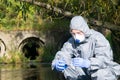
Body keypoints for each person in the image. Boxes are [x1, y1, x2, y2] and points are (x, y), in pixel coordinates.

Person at [51, 16, 120, 80]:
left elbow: (105, 60)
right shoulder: (71, 42)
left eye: (78, 33)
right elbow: (63, 54)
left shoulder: (98, 38)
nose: (76, 36)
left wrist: (89, 63)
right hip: (85, 73)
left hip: (103, 70)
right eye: (73, 33)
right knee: (67, 67)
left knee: (100, 74)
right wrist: (56, 64)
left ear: (84, 30)